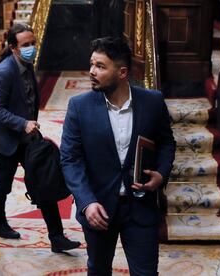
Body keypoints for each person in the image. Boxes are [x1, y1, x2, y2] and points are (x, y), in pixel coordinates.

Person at [60, 37, 176, 275]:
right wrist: (86, 202)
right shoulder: (79, 106)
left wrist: (161, 174)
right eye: (92, 64)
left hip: (141, 207)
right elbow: (70, 159)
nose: (92, 71)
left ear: (122, 72)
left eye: (100, 66)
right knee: (99, 270)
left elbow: (166, 142)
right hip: (98, 208)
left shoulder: (152, 101)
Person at [0, 23, 80, 253]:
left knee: (44, 181)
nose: (32, 48)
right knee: (3, 183)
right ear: (13, 48)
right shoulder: (4, 72)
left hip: (28, 139)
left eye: (33, 43)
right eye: (26, 45)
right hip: (6, 140)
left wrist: (30, 126)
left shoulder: (27, 64)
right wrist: (22, 123)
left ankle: (56, 237)